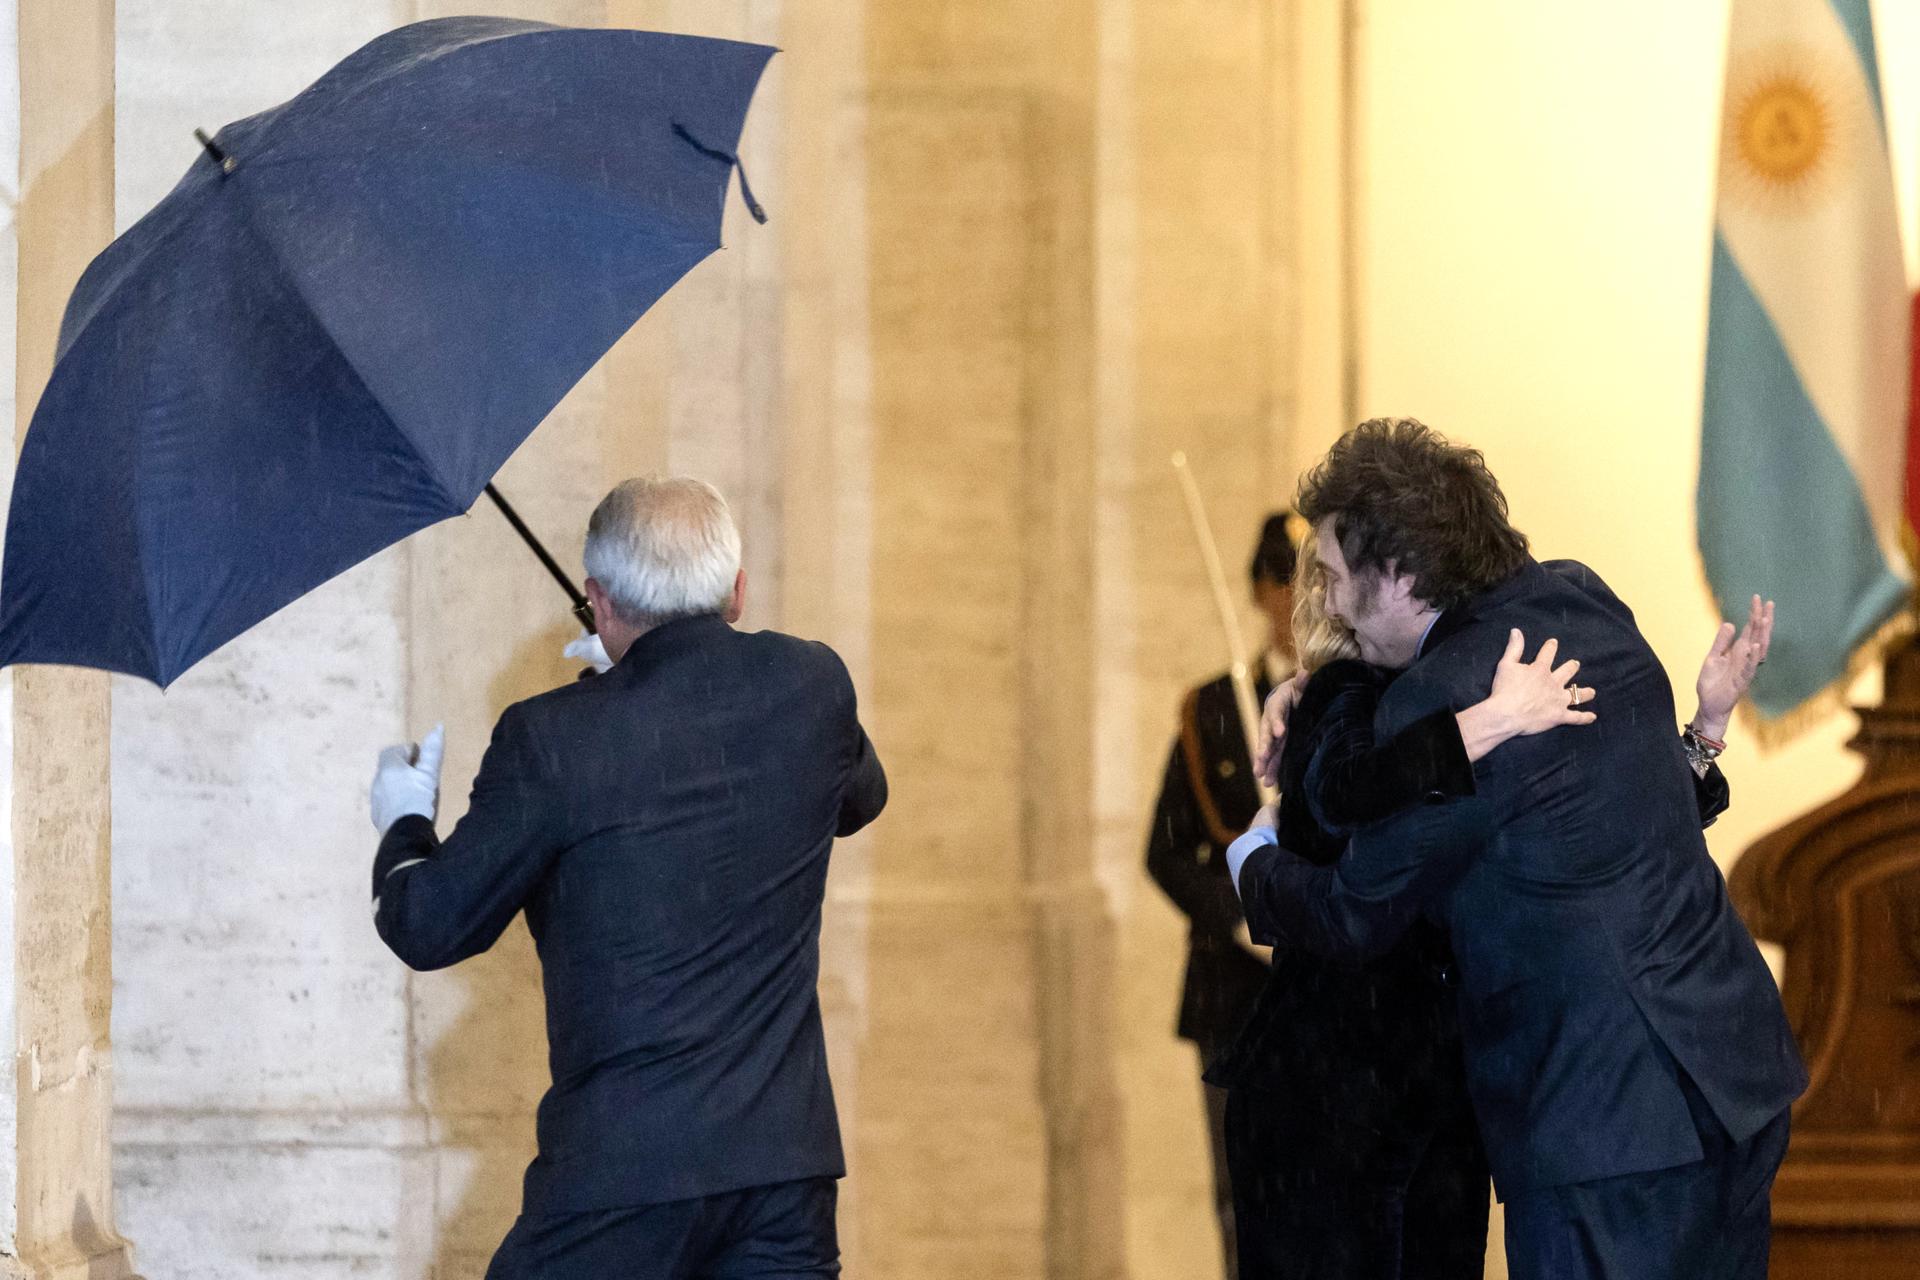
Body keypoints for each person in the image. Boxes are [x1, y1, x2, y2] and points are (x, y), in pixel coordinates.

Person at [1230, 419, 1802, 1280]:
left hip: (1603, 1127)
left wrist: (1253, 859)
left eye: (1339, 579)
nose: (1332, 605)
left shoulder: (1437, 699)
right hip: (1732, 1071)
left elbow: (1352, 912)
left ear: (1401, 577)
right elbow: (1621, 815)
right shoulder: (1582, 600)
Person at [365, 475, 886, 1280]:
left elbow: (429, 925)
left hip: (620, 1182)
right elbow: (859, 799)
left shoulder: (551, 740)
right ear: (738, 591)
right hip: (781, 1173)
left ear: (597, 600)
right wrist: (621, 685)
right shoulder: (814, 685)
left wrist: (403, 820)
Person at [1143, 512, 1299, 1279]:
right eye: (1288, 583)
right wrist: (1237, 918)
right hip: (1233, 993)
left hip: (1330, 990)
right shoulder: (1212, 709)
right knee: (1241, 1194)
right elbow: (1164, 851)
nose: (1301, 603)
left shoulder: (1357, 703)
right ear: (1263, 591)